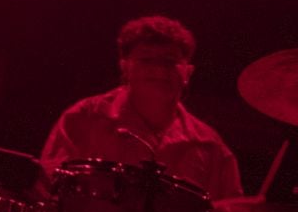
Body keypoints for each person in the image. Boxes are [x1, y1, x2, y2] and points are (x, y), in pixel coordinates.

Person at [40, 14, 242, 201]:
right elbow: (48, 193)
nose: (159, 69)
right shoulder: (82, 120)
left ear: (188, 73)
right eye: (146, 60)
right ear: (124, 67)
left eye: (169, 62)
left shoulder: (212, 149)